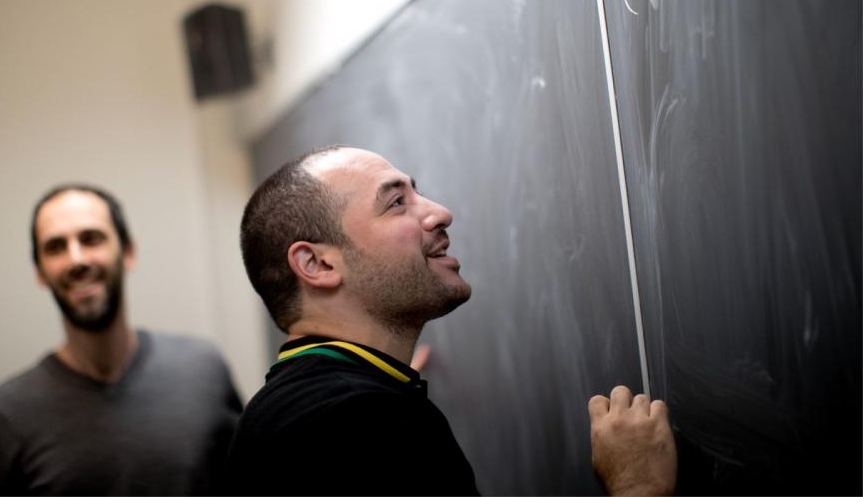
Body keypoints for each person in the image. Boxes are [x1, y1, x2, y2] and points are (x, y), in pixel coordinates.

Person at [225, 145, 676, 495]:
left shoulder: (311, 407)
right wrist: (638, 487)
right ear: (318, 265)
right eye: (396, 203)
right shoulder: (350, 425)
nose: (439, 212)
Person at [0, 184, 242, 495]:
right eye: (55, 247)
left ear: (128, 252)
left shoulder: (203, 370)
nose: (76, 259)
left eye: (91, 239)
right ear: (40, 272)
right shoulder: (9, 412)